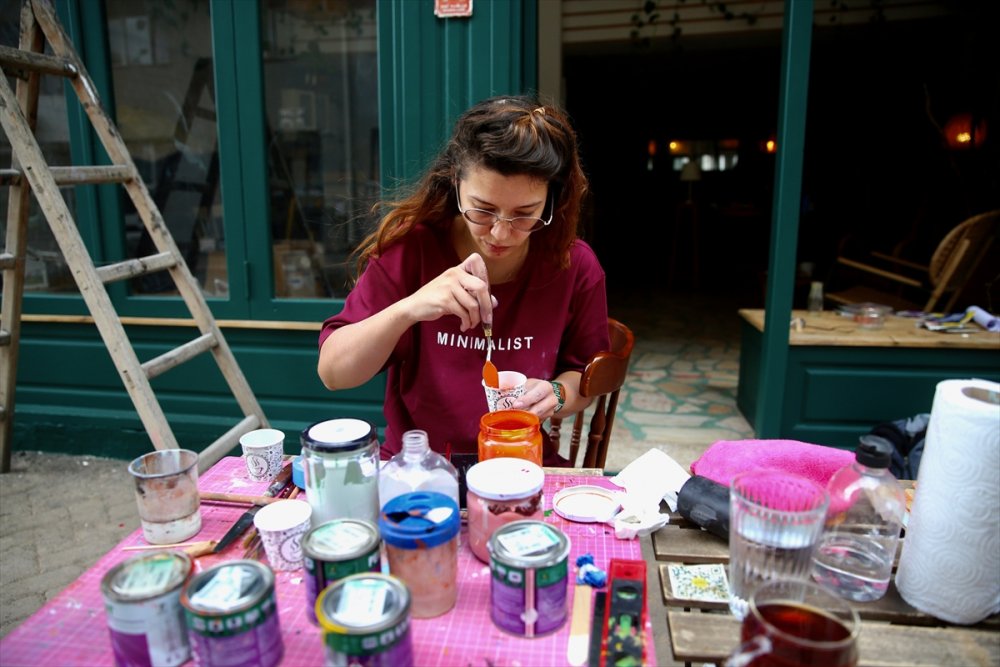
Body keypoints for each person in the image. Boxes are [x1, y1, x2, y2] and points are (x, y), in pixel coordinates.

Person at [317, 95, 610, 465]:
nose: (501, 233)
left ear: (552, 197)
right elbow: (333, 373)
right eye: (483, 210)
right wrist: (411, 308)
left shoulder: (574, 265)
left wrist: (557, 392)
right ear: (456, 182)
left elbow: (584, 379)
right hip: (421, 466)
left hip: (522, 461)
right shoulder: (412, 249)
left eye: (525, 214)